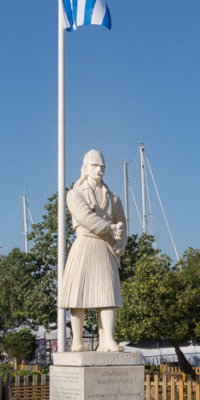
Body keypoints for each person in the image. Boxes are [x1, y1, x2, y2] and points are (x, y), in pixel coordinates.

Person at [58, 149, 127, 352]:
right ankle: (77, 340)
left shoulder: (113, 198)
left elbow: (122, 221)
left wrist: (121, 243)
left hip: (106, 248)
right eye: (95, 166)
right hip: (85, 245)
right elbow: (85, 217)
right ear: (85, 168)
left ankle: (108, 340)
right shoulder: (74, 194)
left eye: (102, 166)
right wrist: (110, 228)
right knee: (78, 296)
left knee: (108, 296)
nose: (99, 170)